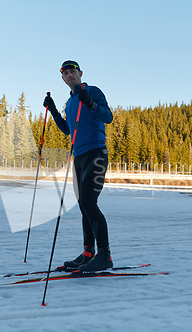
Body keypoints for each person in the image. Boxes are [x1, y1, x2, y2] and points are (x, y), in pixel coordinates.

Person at [43, 60, 114, 272]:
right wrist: (54, 110)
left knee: (89, 203)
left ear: (80, 73)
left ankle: (105, 255)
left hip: (96, 154)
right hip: (79, 158)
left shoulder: (92, 91)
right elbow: (67, 129)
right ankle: (88, 253)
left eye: (72, 71)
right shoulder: (70, 102)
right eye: (65, 73)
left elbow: (107, 117)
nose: (69, 75)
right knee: (84, 206)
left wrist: (91, 103)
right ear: (62, 78)